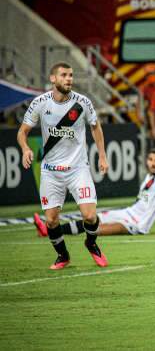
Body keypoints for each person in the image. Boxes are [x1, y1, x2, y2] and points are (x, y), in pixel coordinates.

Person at [16, 62, 110, 270]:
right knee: (50, 220)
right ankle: (63, 255)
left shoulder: (82, 102)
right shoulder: (40, 103)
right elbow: (22, 132)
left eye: (71, 75)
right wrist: (25, 149)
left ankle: (91, 243)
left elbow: (95, 126)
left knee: (90, 216)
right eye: (64, 75)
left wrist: (102, 156)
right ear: (53, 79)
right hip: (50, 172)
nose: (69, 79)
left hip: (78, 169)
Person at [33, 148, 155, 237]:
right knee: (93, 219)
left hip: (138, 223)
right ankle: (50, 230)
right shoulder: (150, 177)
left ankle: (51, 231)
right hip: (128, 212)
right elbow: (145, 199)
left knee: (99, 230)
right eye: (150, 159)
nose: (153, 163)